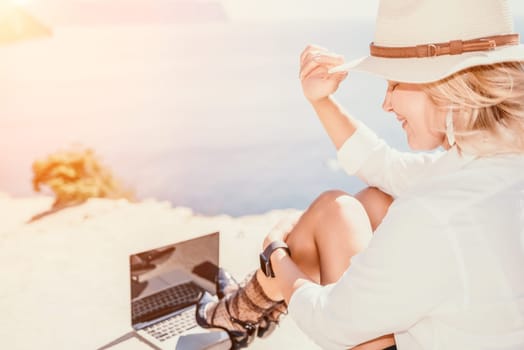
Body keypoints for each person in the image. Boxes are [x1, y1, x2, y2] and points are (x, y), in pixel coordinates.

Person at [196, 0, 524, 349]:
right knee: (368, 202)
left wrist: (276, 254)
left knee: (331, 209)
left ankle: (245, 308)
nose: (386, 103)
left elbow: (331, 323)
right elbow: (386, 168)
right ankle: (250, 305)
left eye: (395, 84)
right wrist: (321, 101)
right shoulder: (496, 161)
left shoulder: (434, 214)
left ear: (446, 85)